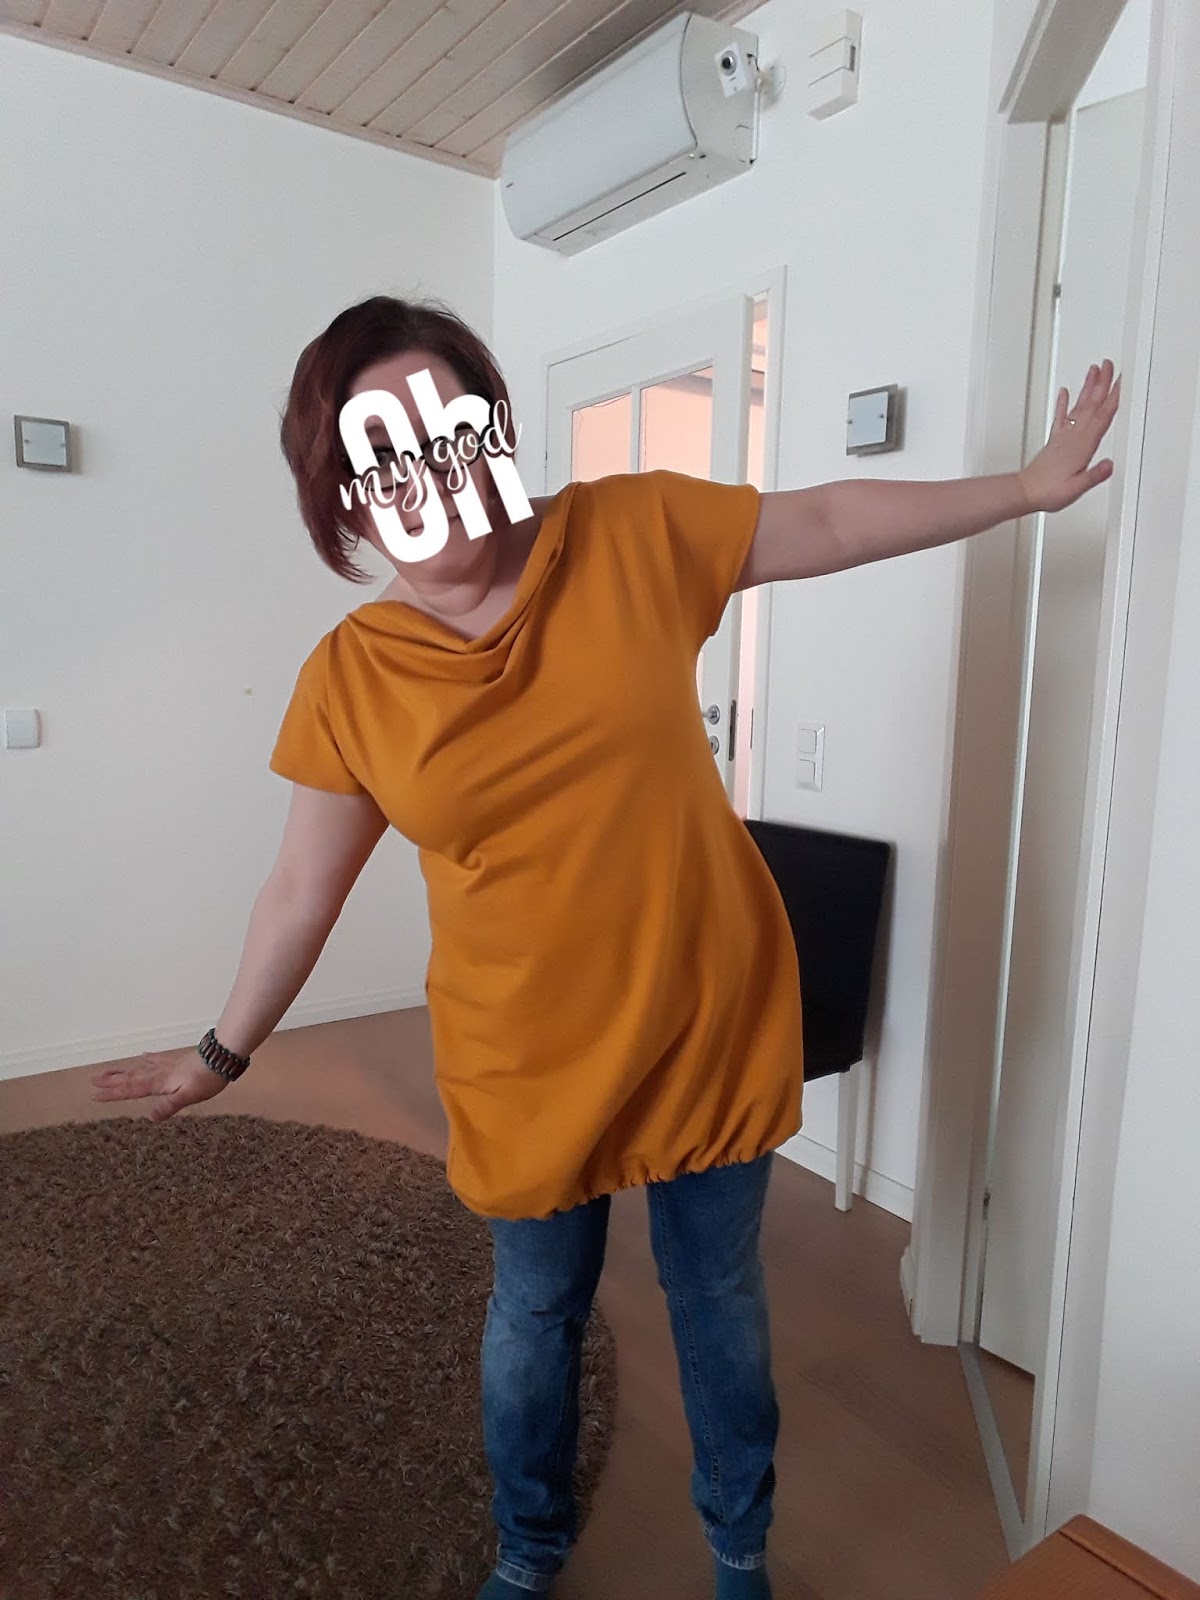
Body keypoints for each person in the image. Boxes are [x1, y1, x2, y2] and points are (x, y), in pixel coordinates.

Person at [91, 295, 1120, 1599]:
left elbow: (825, 521)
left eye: (448, 433)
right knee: (535, 1314)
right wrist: (220, 1053)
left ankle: (738, 1554)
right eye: (383, 458)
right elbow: (302, 888)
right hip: (521, 1057)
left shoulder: (632, 534)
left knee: (717, 1303)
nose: (429, 478)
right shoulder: (350, 679)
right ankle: (530, 1549)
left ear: (492, 429)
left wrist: (1023, 491)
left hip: (708, 1018)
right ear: (343, 500)